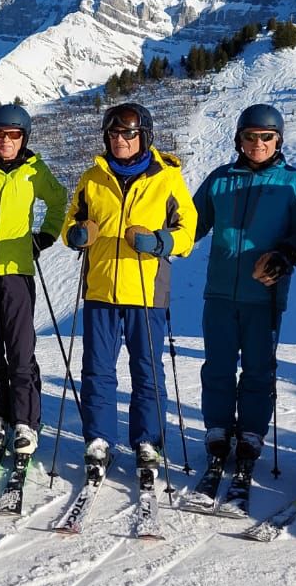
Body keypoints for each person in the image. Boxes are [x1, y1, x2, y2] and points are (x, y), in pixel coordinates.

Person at [63, 102, 196, 477]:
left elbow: (188, 232)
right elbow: (72, 222)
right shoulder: (93, 177)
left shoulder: (167, 179)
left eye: (128, 133)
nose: (120, 139)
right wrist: (77, 235)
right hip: (101, 289)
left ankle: (148, 441)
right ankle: (99, 439)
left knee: (147, 370)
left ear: (144, 136)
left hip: (146, 291)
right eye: (114, 133)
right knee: (97, 369)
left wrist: (158, 242)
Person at [191, 104, 296, 479]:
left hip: (265, 294)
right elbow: (191, 225)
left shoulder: (295, 183)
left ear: (278, 140)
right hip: (220, 292)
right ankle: (217, 429)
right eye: (250, 136)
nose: (257, 143)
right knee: (219, 366)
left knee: (259, 368)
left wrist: (285, 254)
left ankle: (251, 432)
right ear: (238, 139)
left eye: (266, 137)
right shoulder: (220, 179)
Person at [0, 103, 68, 460]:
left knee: (20, 349)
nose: (6, 141)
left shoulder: (34, 170)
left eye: (14, 135)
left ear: (24, 138)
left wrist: (45, 236)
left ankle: (25, 422)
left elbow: (58, 200)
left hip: (18, 269)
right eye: (1, 134)